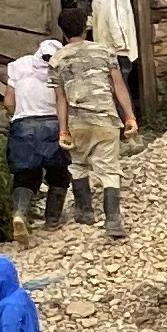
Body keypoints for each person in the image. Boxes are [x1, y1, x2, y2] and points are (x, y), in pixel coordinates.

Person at [55, 29, 133, 242]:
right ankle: (113, 221)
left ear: (64, 32)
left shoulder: (57, 59)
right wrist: (130, 116)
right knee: (109, 169)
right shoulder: (105, 52)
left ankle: (85, 212)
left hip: (77, 122)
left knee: (79, 165)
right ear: (85, 29)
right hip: (105, 120)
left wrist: (63, 129)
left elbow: (60, 99)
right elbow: (119, 86)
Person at [3, 39, 71, 235]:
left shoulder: (19, 65)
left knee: (25, 175)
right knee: (59, 173)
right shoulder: (61, 69)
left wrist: (19, 115)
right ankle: (52, 219)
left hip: (23, 125)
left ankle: (19, 213)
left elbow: (8, 101)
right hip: (52, 124)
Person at [84, 0, 144, 125]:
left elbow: (118, 20)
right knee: (113, 90)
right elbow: (99, 17)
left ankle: (130, 126)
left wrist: (120, 48)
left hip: (116, 50)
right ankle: (122, 126)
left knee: (120, 90)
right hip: (106, 49)